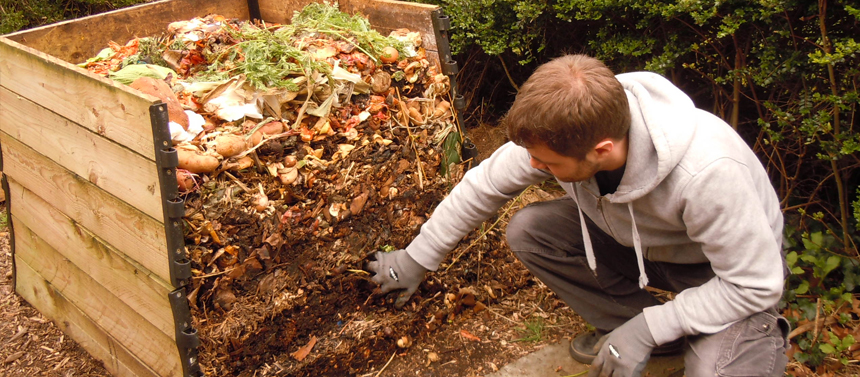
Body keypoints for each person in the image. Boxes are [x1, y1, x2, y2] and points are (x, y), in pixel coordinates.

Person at [366, 54, 790, 376]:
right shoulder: (567, 125)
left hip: (728, 274)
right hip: (647, 249)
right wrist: (415, 258)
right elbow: (484, 185)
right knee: (531, 230)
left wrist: (649, 325)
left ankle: (719, 339)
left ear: (601, 150)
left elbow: (755, 283)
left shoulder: (707, 172)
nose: (533, 167)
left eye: (546, 163)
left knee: (716, 369)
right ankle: (654, 341)